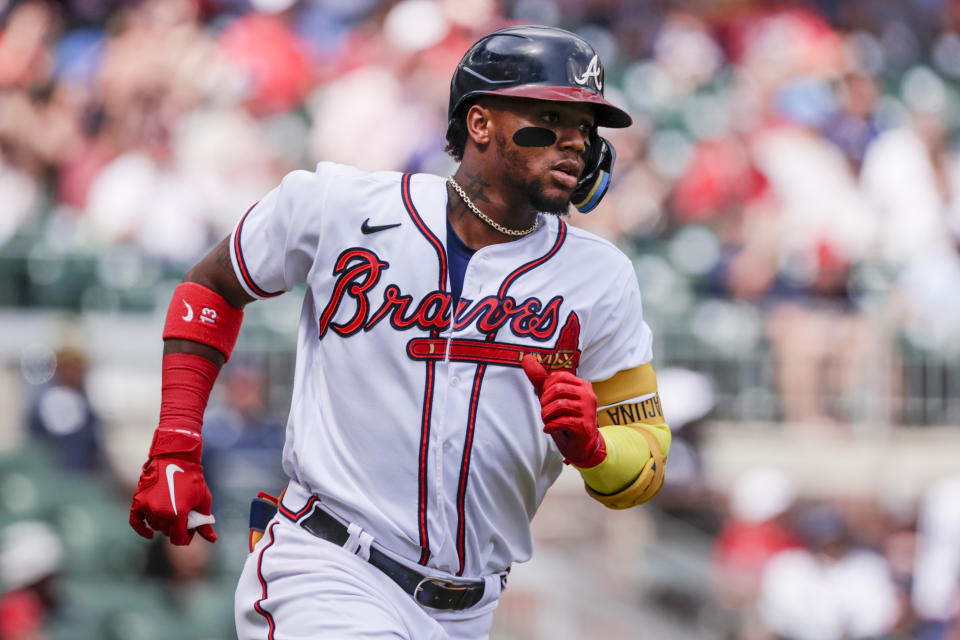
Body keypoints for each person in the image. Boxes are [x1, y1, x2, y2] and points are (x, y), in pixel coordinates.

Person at [128, 25, 672, 639]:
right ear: (481, 123)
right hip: (330, 568)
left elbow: (646, 453)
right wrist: (175, 441)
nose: (575, 143)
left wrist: (594, 452)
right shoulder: (342, 206)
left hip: (469, 610)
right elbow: (211, 286)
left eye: (587, 127)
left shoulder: (602, 276)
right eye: (552, 117)